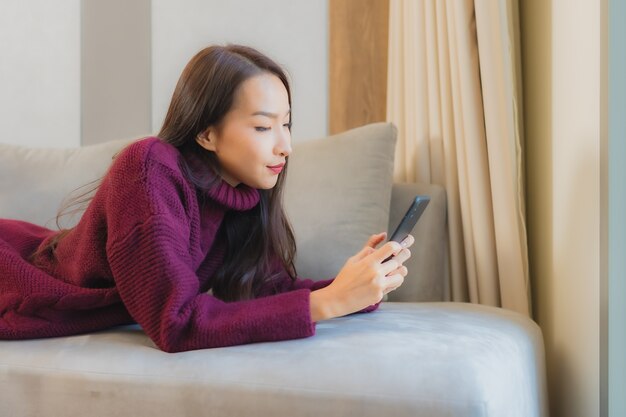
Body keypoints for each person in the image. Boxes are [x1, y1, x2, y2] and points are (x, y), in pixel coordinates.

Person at [0, 44, 414, 353]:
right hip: (14, 275)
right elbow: (174, 324)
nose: (285, 146)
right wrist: (327, 303)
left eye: (286, 124)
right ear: (206, 134)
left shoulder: (243, 195)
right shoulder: (148, 168)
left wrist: (355, 285)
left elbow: (266, 292)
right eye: (263, 127)